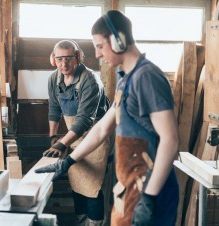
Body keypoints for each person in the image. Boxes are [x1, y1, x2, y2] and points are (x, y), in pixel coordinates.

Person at [35, 10, 180, 226]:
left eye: (100, 46)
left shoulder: (147, 77)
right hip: (129, 187)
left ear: (119, 40)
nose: (98, 54)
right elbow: (102, 128)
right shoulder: (126, 80)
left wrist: (149, 198)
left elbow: (170, 140)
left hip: (150, 190)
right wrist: (67, 162)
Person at [44, 39, 114, 226]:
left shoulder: (89, 80)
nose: (64, 64)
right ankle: (80, 222)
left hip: (96, 138)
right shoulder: (54, 79)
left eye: (68, 58)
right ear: (53, 59)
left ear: (77, 57)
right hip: (73, 138)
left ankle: (94, 224)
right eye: (59, 59)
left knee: (93, 187)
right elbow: (54, 109)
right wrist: (53, 137)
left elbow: (84, 120)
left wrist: (62, 143)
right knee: (77, 185)